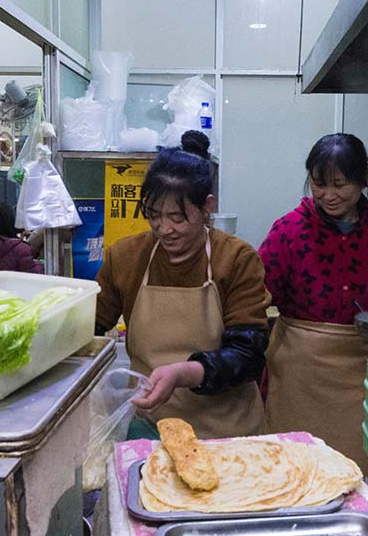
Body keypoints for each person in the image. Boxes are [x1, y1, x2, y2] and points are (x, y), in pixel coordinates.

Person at [258, 134, 368, 477]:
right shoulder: (288, 231)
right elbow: (255, 293)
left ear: (363, 178)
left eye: (341, 184)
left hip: (366, 370)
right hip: (300, 373)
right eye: (319, 184)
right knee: (295, 470)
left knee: (360, 474)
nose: (329, 195)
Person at [95, 147, 270, 439]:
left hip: (227, 432)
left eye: (178, 217)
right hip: (151, 429)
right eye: (154, 214)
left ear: (207, 206)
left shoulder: (236, 259)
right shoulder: (126, 257)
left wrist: (183, 373)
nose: (165, 229)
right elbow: (91, 327)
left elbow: (248, 355)